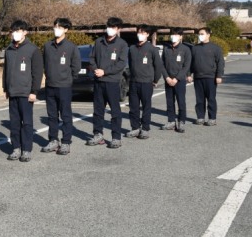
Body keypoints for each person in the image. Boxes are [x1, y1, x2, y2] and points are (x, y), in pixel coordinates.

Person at [2, 20, 43, 162]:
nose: (15, 33)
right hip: (12, 91)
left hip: (26, 92)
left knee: (26, 122)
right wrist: (5, 88)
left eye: (18, 30)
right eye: (13, 31)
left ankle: (26, 149)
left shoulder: (33, 50)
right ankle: (16, 148)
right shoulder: (9, 50)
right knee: (14, 122)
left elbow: (37, 73)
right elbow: (5, 71)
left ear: (25, 32)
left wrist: (34, 91)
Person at [86, 17, 129, 149]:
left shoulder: (122, 44)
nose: (110, 29)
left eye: (114, 27)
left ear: (118, 29)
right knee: (98, 110)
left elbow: (121, 64)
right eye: (109, 26)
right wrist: (96, 70)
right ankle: (98, 134)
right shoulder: (99, 41)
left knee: (115, 111)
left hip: (112, 82)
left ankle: (116, 137)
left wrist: (105, 71)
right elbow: (91, 58)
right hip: (98, 81)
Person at [41, 18, 81, 156]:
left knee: (65, 115)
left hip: (64, 86)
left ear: (66, 30)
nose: (56, 29)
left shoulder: (71, 47)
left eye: (59, 27)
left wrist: (68, 79)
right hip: (50, 85)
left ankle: (66, 141)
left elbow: (76, 67)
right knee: (52, 115)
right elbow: (44, 64)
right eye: (55, 26)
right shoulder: (47, 46)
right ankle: (53, 140)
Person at [125, 24, 163, 140]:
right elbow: (131, 65)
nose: (140, 35)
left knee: (146, 106)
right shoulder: (132, 48)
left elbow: (158, 66)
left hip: (147, 82)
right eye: (139, 32)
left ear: (147, 34)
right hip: (134, 82)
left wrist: (155, 79)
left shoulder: (152, 49)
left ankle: (145, 129)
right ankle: (135, 128)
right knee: (133, 107)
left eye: (143, 33)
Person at [188, 27, 224, 126]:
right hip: (198, 77)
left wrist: (219, 75)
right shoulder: (195, 48)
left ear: (208, 35)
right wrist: (189, 74)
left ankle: (212, 118)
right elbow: (191, 63)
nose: (200, 35)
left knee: (211, 99)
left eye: (202, 33)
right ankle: (200, 117)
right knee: (199, 99)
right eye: (199, 34)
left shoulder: (215, 48)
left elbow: (220, 62)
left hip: (211, 77)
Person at [160, 28, 192, 133]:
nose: (173, 36)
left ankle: (181, 121)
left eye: (176, 35)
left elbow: (186, 66)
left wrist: (177, 78)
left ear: (181, 37)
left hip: (180, 80)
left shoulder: (185, 49)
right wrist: (167, 77)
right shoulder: (166, 49)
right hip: (168, 79)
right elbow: (162, 65)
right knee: (169, 102)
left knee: (181, 101)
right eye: (172, 34)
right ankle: (171, 121)